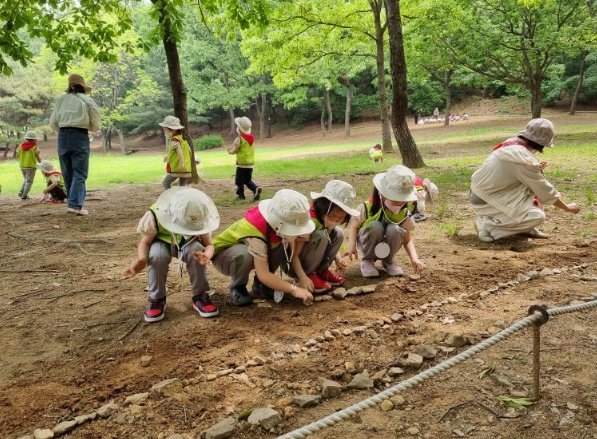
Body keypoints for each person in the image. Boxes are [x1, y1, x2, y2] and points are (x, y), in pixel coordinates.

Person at [470, 118, 581, 243]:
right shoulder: (522, 159)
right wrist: (567, 207)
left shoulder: (513, 144)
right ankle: (487, 226)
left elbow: (513, 172)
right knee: (537, 216)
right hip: (485, 199)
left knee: (532, 187)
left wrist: (535, 168)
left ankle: (526, 228)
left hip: (483, 192)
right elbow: (544, 190)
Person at [122, 187, 220, 322]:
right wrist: (142, 260)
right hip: (161, 242)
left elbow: (209, 244)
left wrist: (207, 255)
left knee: (197, 249)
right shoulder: (155, 214)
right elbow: (145, 243)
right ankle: (157, 299)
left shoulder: (201, 215)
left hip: (188, 243)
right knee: (157, 256)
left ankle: (201, 295)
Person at [212, 189, 315, 306]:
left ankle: (261, 286)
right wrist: (294, 290)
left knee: (281, 246)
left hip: (250, 251)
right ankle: (237, 287)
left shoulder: (277, 225)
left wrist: (302, 276)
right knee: (244, 254)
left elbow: (293, 254)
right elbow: (264, 274)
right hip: (224, 257)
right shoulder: (257, 233)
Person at [345, 165, 426, 278]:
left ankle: (388, 261)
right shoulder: (367, 207)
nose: (399, 204)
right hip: (368, 243)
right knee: (375, 225)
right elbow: (354, 227)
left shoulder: (404, 214)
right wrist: (351, 245)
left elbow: (407, 240)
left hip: (389, 247)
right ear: (381, 194)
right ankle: (368, 260)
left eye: (402, 201)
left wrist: (414, 258)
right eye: (394, 200)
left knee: (395, 229)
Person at [287, 180, 360, 293]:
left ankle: (321, 271)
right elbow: (293, 254)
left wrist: (338, 258)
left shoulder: (324, 222)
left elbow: (328, 238)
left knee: (338, 233)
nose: (335, 220)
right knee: (320, 235)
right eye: (332, 216)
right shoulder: (308, 221)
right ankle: (308, 274)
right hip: (295, 265)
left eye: (339, 219)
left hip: (311, 258)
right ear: (323, 206)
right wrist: (302, 277)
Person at [50, 73, 101, 216]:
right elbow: (95, 119)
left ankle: (72, 203)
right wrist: (91, 128)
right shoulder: (87, 100)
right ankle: (75, 205)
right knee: (80, 171)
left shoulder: (61, 100)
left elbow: (53, 121)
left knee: (67, 171)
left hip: (63, 135)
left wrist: (63, 128)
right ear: (82, 88)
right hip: (79, 135)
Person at [228, 116, 262, 202]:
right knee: (247, 180)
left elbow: (235, 150)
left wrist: (230, 151)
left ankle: (241, 195)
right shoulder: (252, 138)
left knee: (239, 181)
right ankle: (255, 188)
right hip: (250, 164)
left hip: (241, 165)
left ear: (239, 128)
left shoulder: (239, 139)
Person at [160, 116, 192, 190]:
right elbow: (189, 151)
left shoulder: (174, 140)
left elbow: (179, 150)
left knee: (166, 183)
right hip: (186, 169)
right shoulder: (181, 139)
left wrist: (181, 163)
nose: (164, 131)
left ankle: (169, 197)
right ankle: (182, 200)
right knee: (183, 186)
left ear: (172, 130)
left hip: (178, 168)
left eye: (165, 129)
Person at [16, 130, 42, 200]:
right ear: (33, 139)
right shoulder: (34, 147)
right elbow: (38, 157)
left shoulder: (20, 145)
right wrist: (42, 164)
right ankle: (24, 196)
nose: (36, 140)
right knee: (29, 181)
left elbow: (17, 155)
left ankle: (21, 192)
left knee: (26, 179)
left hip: (22, 166)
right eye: (36, 139)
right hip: (31, 166)